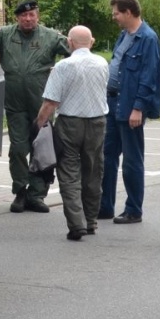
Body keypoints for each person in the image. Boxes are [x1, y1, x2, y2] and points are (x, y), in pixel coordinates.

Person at [0, 0, 71, 213]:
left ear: (38, 16)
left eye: (32, 15)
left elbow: (75, 50)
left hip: (42, 104)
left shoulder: (51, 36)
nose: (28, 19)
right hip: (15, 104)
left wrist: (63, 73)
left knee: (42, 149)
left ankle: (37, 195)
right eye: (23, 16)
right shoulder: (4, 35)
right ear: (17, 17)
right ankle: (20, 191)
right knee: (18, 149)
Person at [34, 25, 109, 240]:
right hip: (97, 122)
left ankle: (76, 224)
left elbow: (50, 103)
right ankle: (91, 221)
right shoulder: (102, 63)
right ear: (91, 42)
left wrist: (38, 126)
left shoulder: (63, 66)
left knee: (69, 173)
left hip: (69, 123)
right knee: (93, 171)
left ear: (70, 43)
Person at [100, 0, 160, 225]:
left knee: (132, 160)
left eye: (116, 13)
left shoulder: (148, 38)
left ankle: (133, 209)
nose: (113, 17)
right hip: (113, 103)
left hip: (129, 106)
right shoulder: (124, 35)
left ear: (128, 12)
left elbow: (149, 77)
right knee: (107, 156)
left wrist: (138, 108)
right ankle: (105, 206)